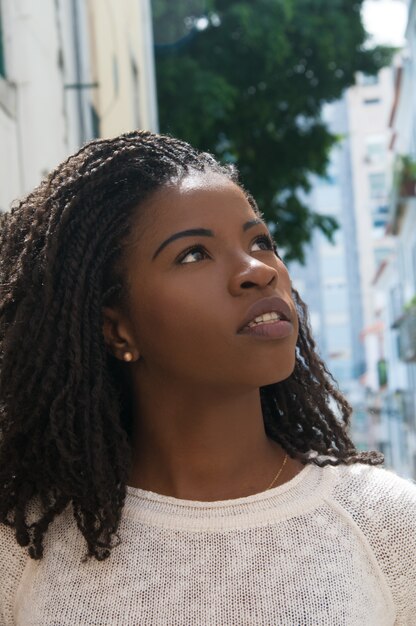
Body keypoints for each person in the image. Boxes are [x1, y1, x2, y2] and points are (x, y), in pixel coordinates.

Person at [0, 130, 415, 626]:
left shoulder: (386, 527)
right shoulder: (23, 550)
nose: (257, 271)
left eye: (260, 242)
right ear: (117, 329)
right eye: (193, 253)